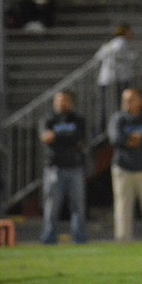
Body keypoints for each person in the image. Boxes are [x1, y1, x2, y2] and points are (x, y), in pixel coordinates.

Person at [107, 88, 142, 243]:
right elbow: (116, 138)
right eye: (125, 100)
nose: (127, 103)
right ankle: (123, 241)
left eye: (131, 99)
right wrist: (137, 139)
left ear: (140, 101)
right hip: (124, 170)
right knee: (123, 208)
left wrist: (138, 140)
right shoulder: (118, 119)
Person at [39, 90, 88, 244]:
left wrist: (57, 137)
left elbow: (79, 139)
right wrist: (68, 139)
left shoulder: (78, 119)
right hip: (54, 168)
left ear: (71, 102)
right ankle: (49, 238)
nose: (61, 103)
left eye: (65, 100)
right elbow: (45, 138)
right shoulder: (48, 119)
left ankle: (79, 238)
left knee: (78, 206)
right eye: (59, 100)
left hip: (75, 167)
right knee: (52, 206)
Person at [94, 24, 137, 135]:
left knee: (105, 106)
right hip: (116, 80)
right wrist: (131, 57)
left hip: (106, 79)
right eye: (129, 31)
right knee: (118, 106)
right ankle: (114, 129)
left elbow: (98, 56)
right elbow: (122, 56)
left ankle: (102, 130)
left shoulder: (110, 43)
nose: (131, 34)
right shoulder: (121, 42)